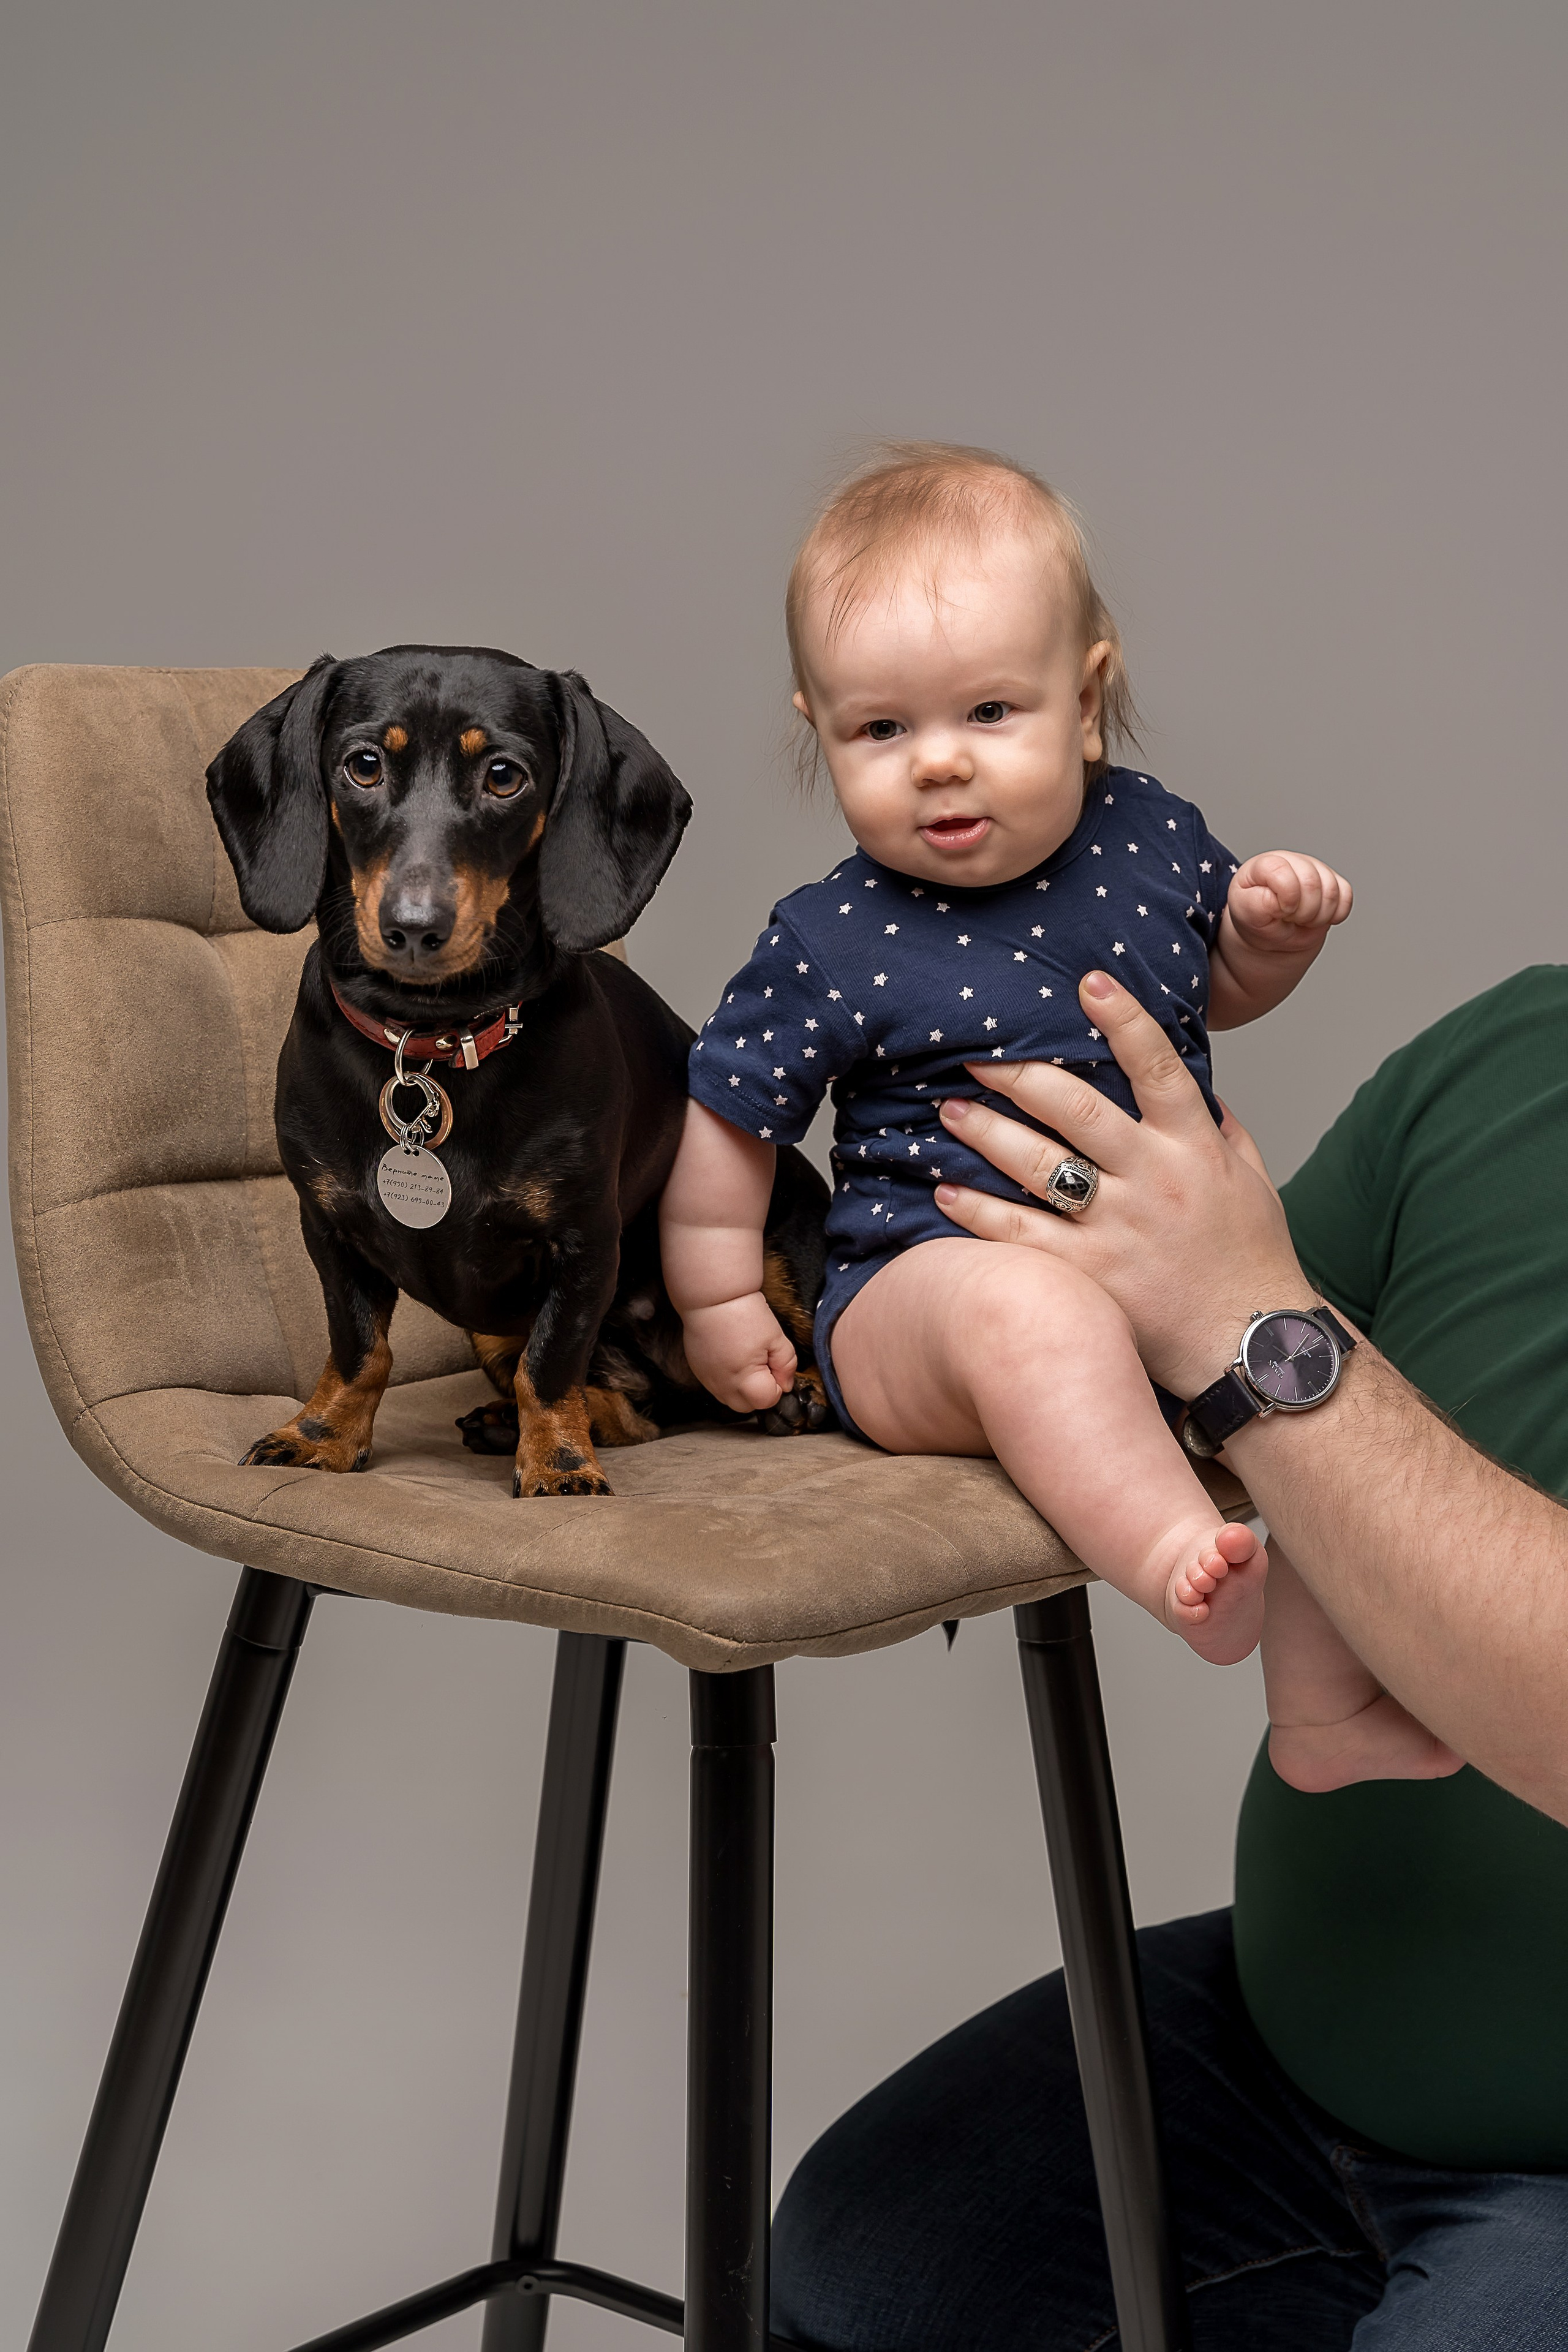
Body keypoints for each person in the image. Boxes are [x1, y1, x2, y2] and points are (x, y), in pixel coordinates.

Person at [767, 964, 1568, 2350]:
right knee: (853, 2279)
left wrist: (1247, 1336)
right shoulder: (1516, 1048)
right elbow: (1161, 1344)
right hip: (1297, 2046)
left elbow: (1248, 1338)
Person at [661, 441, 1444, 1790]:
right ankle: (1162, 1554)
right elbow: (730, 1120)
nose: (936, 768)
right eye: (880, 731)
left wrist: (1269, 936)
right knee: (1033, 1319)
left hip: (1164, 1271)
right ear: (819, 730)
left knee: (1312, 1380)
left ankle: (1321, 1713)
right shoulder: (828, 934)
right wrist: (722, 1301)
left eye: (986, 713)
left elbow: (1207, 994)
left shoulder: (1146, 837)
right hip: (922, 1294)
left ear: (1084, 705)